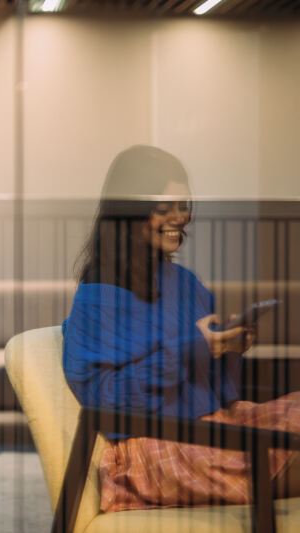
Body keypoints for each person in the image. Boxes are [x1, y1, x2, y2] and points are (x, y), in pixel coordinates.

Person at [63, 145, 300, 512]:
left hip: (210, 425)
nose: (180, 217)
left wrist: (229, 348)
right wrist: (192, 348)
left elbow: (218, 394)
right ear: (130, 212)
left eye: (184, 204)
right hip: (155, 444)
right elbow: (103, 400)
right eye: (164, 207)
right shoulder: (97, 298)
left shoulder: (185, 283)